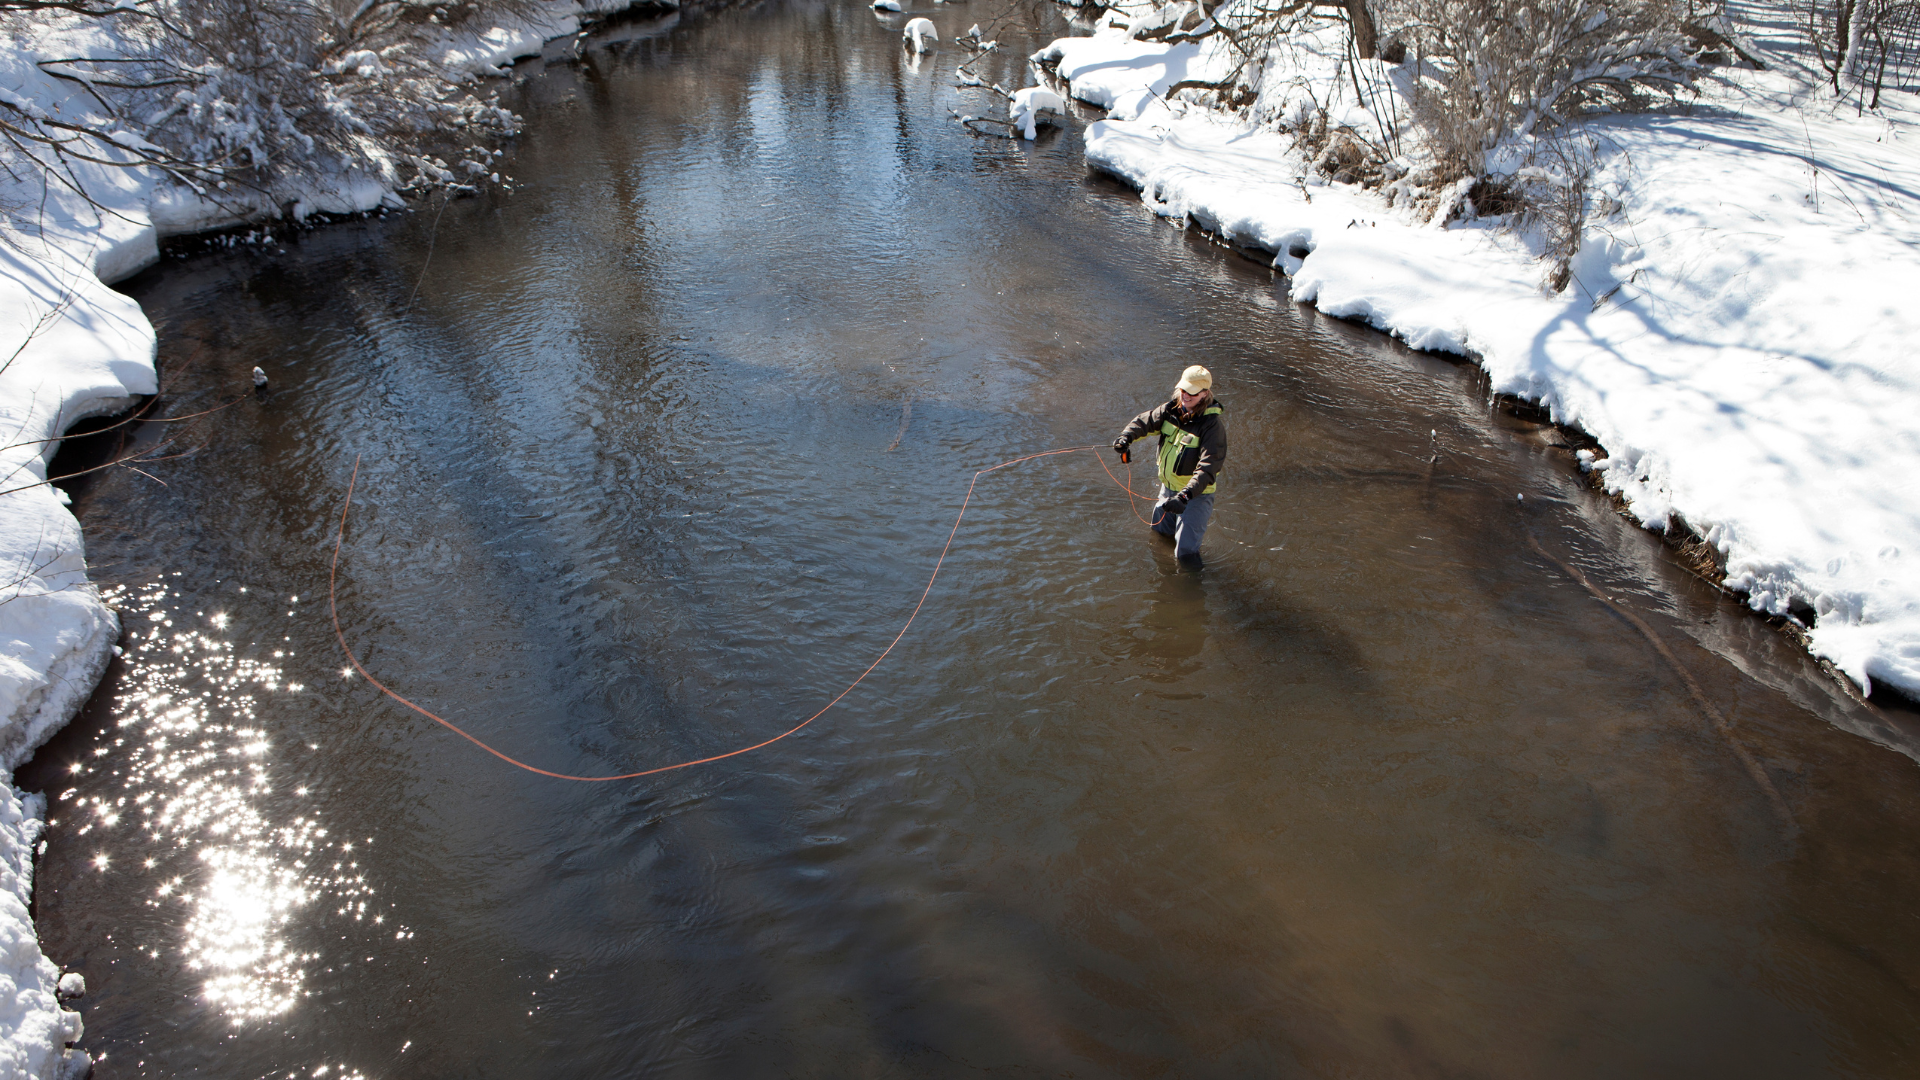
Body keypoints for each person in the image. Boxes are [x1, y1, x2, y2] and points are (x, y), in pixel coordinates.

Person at [1112, 365, 1227, 568]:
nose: (1185, 396)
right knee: (1159, 536)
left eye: (1192, 392)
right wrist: (1125, 438)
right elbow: (1144, 422)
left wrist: (1184, 496)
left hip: (1195, 497)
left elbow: (1208, 469)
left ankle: (1190, 589)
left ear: (1205, 394)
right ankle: (1164, 577)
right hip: (1167, 490)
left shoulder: (1211, 427)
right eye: (1183, 390)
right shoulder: (1170, 410)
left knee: (1185, 553)